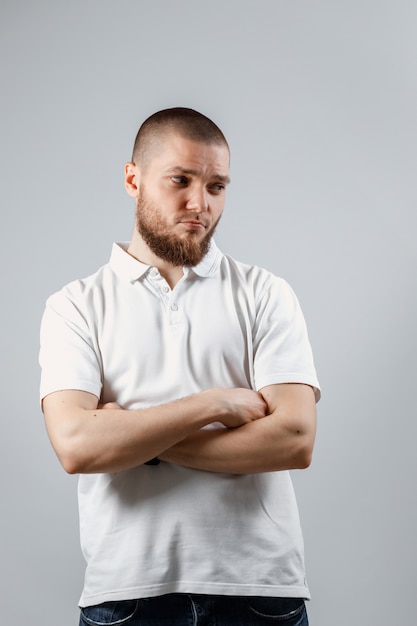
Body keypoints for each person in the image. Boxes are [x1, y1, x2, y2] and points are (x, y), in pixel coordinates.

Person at [39, 107, 320, 626]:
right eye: (181, 180)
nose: (200, 203)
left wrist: (131, 439)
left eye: (217, 186)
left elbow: (295, 440)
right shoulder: (74, 305)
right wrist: (209, 404)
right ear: (133, 179)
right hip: (126, 594)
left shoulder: (265, 294)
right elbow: (78, 447)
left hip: (260, 592)